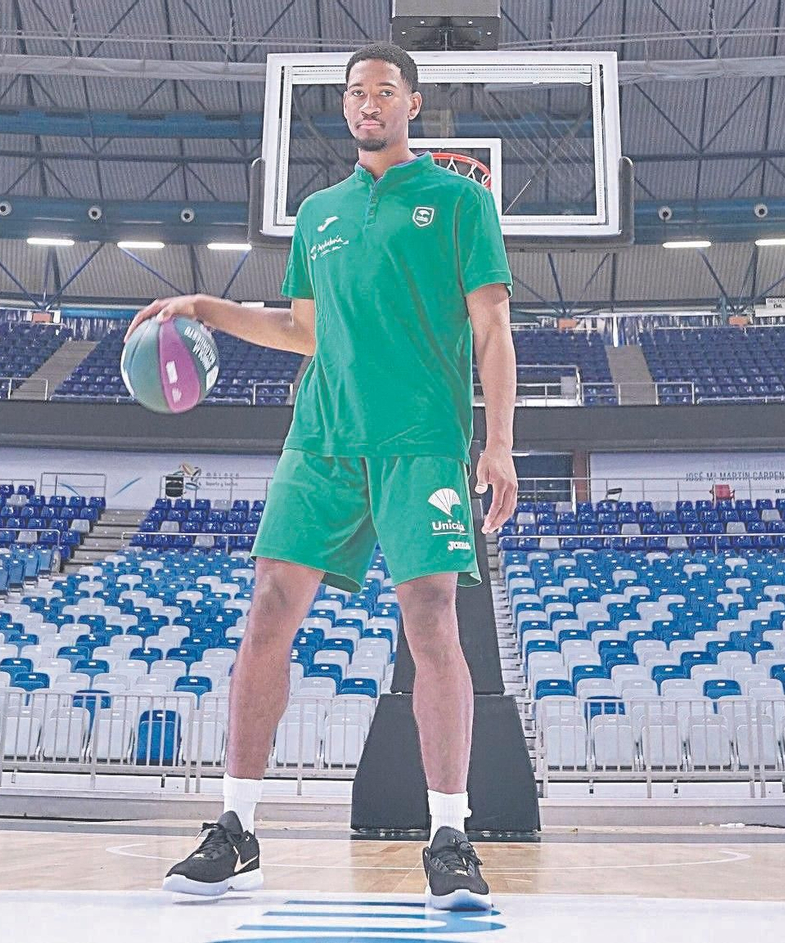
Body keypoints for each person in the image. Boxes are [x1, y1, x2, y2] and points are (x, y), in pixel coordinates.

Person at [127, 41, 517, 911]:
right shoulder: (319, 213)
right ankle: (236, 828)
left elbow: (492, 328)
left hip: (422, 442)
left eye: (383, 91)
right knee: (268, 605)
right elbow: (301, 330)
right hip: (322, 440)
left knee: (432, 621)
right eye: (354, 93)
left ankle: (450, 836)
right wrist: (205, 309)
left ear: (412, 104)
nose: (366, 103)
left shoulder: (460, 202)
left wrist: (499, 440)